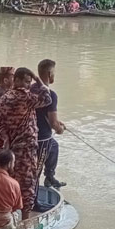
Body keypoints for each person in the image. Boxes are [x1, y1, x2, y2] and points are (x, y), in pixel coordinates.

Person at [0, 68, 51, 219]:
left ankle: (6, 217)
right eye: (25, 81)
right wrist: (38, 79)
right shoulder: (26, 97)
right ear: (16, 80)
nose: (27, 85)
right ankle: (25, 221)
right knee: (27, 185)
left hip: (9, 151)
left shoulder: (3, 99)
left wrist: (7, 142)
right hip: (26, 150)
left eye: (29, 82)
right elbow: (47, 98)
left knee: (8, 183)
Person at [35, 59, 66, 192]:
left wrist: (57, 123)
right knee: (36, 170)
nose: (54, 76)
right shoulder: (50, 94)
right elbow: (54, 123)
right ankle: (33, 201)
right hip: (42, 138)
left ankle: (49, 176)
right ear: (49, 74)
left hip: (30, 133)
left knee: (54, 146)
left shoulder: (30, 88)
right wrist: (59, 128)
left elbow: (47, 117)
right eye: (53, 73)